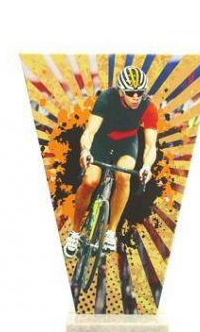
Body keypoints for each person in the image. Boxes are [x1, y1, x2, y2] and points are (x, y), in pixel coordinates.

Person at [63, 65, 158, 258]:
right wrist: (85, 151)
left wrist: (147, 166)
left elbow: (150, 146)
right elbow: (90, 132)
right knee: (90, 181)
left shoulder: (149, 107)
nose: (136, 97)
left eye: (140, 92)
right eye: (130, 93)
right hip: (102, 141)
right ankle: (75, 232)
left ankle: (111, 232)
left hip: (127, 143)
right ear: (121, 91)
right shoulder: (107, 98)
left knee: (124, 177)